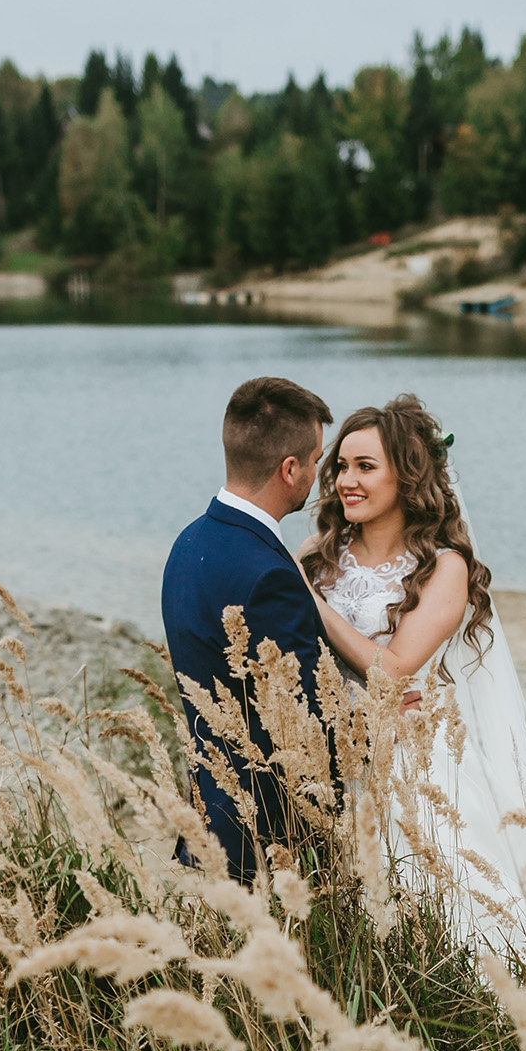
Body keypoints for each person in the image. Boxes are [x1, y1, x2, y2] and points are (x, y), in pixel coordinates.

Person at [298, 392, 526, 964]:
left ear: (406, 478)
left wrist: (310, 601)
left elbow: (394, 667)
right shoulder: (318, 551)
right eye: (340, 466)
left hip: (420, 762)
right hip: (338, 750)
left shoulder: (444, 567)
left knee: (453, 907)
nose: (345, 481)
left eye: (365, 467)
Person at [161, 375, 334, 881]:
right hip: (267, 837)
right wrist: (379, 715)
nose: (318, 475)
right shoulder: (267, 574)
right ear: (289, 468)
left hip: (211, 817)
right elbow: (307, 716)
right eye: (317, 460)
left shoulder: (188, 543)